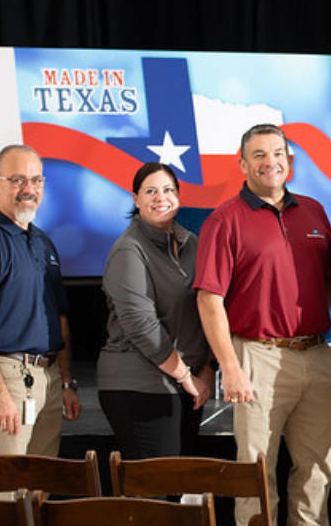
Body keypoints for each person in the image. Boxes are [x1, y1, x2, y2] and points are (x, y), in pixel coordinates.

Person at [195, 124, 331, 526]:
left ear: (290, 161)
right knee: (256, 476)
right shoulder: (224, 220)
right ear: (242, 164)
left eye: (277, 153)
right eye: (259, 155)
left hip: (316, 354)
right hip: (256, 357)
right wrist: (230, 366)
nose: (270, 162)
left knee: (317, 472)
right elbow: (209, 300)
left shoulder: (314, 212)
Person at [0, 144, 81, 456]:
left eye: (36, 180)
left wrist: (65, 384)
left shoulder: (42, 242)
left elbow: (58, 317)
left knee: (40, 489)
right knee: (3, 491)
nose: (29, 189)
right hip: (5, 375)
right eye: (18, 180)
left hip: (47, 378)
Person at [98, 162, 214, 459]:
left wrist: (208, 370)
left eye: (168, 190)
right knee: (156, 497)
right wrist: (189, 378)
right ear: (135, 199)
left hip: (184, 387)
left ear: (178, 196)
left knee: (178, 492)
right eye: (150, 191)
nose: (160, 198)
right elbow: (141, 326)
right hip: (140, 388)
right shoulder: (129, 250)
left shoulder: (192, 244)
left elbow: (212, 308)